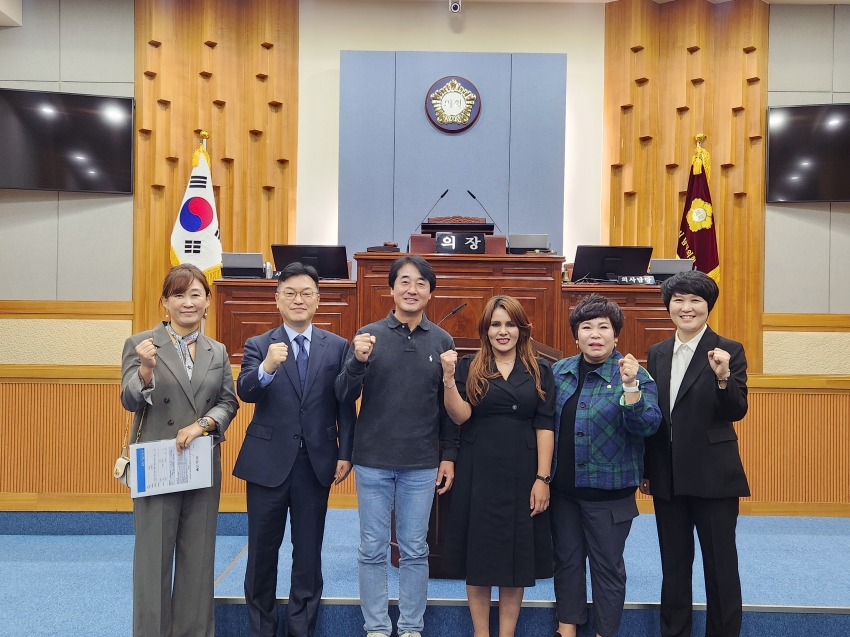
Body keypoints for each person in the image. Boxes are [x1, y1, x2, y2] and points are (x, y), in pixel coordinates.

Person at [335, 255, 458, 637]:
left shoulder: (442, 341)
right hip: (372, 461)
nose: (412, 289)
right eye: (404, 281)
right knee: (371, 548)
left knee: (415, 549)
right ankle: (375, 627)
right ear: (391, 289)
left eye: (421, 283)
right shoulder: (368, 335)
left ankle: (410, 627)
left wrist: (449, 456)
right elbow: (342, 394)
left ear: (430, 293)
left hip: (420, 463)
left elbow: (446, 407)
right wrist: (357, 361)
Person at [234, 262, 357, 637]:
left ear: (318, 301)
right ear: (277, 299)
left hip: (315, 464)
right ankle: (262, 630)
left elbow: (345, 404)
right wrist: (267, 368)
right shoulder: (258, 345)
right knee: (261, 555)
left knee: (307, 555)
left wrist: (345, 452)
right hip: (267, 464)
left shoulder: (337, 347)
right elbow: (246, 392)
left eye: (306, 293)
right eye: (290, 293)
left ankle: (301, 630)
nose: (298, 300)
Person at [120, 263, 239, 637]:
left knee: (198, 560)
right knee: (153, 562)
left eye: (195, 294)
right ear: (164, 302)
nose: (187, 302)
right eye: (178, 295)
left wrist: (203, 425)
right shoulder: (142, 344)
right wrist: (146, 370)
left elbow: (228, 402)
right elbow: (128, 399)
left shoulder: (217, 350)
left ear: (207, 301)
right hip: (157, 463)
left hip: (201, 464)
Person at [640, 271, 749, 637]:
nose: (686, 308)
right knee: (674, 566)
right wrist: (647, 469)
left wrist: (723, 377)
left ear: (708, 307)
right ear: (668, 306)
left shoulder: (728, 350)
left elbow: (735, 410)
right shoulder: (656, 352)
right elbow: (654, 416)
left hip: (713, 475)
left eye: (695, 301)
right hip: (667, 476)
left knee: (720, 566)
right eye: (679, 301)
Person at [441, 295, 555, 637]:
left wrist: (543, 477)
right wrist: (448, 381)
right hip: (478, 469)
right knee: (480, 553)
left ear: (522, 329)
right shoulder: (468, 366)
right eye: (495, 325)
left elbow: (545, 425)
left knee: (516, 556)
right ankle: (481, 633)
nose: (502, 331)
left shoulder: (540, 369)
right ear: (485, 330)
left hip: (524, 469)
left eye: (509, 324)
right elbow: (460, 415)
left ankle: (506, 634)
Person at [549, 294, 661, 637]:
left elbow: (647, 425)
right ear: (576, 334)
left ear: (616, 335)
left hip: (609, 495)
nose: (595, 334)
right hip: (563, 492)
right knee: (566, 563)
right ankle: (566, 629)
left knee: (606, 568)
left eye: (603, 327)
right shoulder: (559, 371)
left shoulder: (633, 373)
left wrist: (630, 388)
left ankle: (604, 633)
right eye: (587, 327)